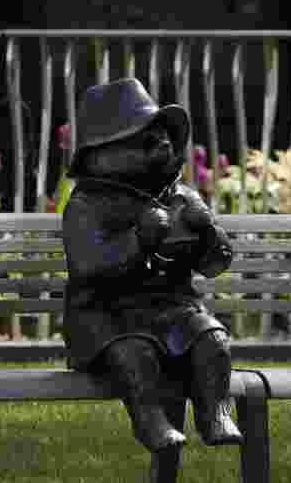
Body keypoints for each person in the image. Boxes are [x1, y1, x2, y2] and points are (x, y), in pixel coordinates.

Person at [62, 77, 243, 452]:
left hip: (172, 312)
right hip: (105, 319)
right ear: (102, 153)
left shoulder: (179, 196)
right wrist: (137, 240)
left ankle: (216, 413)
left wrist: (209, 232)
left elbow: (214, 264)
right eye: (145, 139)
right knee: (136, 354)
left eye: (164, 136)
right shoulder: (87, 205)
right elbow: (88, 266)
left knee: (213, 341)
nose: (162, 145)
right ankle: (149, 419)